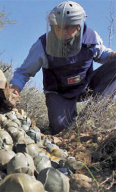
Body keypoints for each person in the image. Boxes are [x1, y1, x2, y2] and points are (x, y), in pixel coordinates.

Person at [10, 1, 116, 135]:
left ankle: (90, 118)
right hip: (59, 93)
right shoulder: (42, 45)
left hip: (85, 85)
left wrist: (112, 55)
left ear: (78, 26)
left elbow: (102, 54)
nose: (62, 32)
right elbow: (24, 71)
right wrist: (15, 87)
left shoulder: (91, 37)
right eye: (58, 27)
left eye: (67, 27)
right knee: (62, 130)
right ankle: (68, 123)